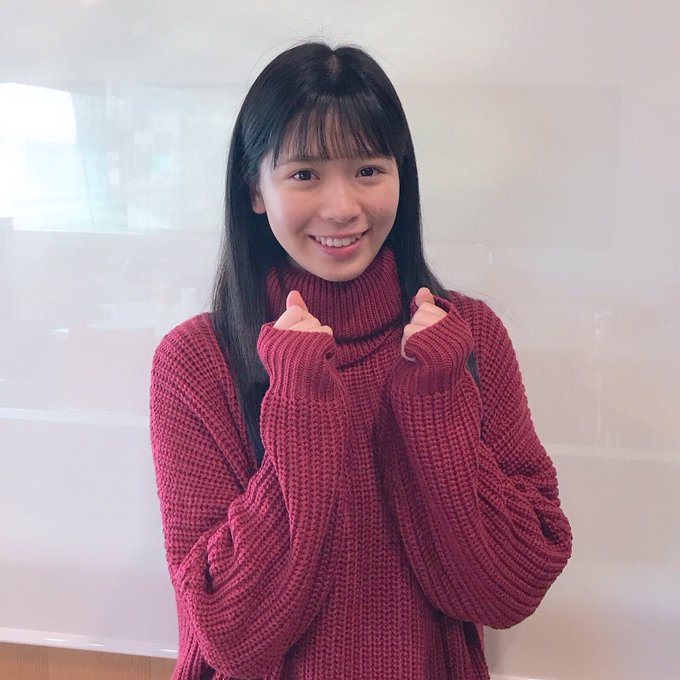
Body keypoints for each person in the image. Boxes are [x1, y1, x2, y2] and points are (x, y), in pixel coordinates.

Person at [149, 41, 572, 680]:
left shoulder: (465, 338)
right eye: (304, 174)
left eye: (368, 169)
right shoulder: (196, 362)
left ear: (402, 175)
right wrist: (298, 406)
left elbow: (510, 588)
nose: (342, 207)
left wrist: (437, 403)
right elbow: (232, 635)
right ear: (255, 189)